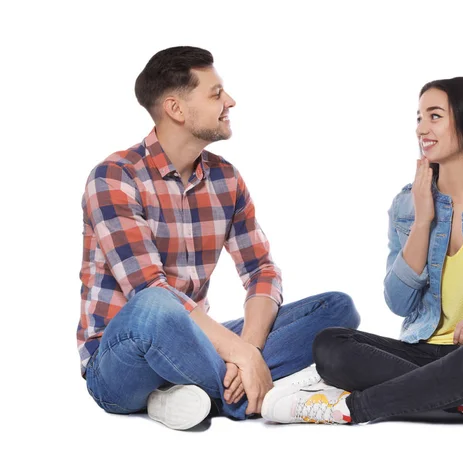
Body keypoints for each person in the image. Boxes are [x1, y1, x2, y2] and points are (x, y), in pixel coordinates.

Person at [77, 46, 360, 430]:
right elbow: (148, 288)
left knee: (337, 310)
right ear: (176, 109)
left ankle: (194, 392)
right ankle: (248, 399)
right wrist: (238, 352)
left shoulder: (226, 178)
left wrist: (250, 349)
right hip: (121, 358)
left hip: (193, 343)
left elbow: (260, 269)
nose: (230, 101)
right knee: (155, 306)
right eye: (216, 94)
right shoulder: (114, 178)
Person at [261, 77, 463, 433]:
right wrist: (423, 219)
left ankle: (351, 408)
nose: (421, 129)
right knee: (329, 344)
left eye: (434, 116)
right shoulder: (406, 204)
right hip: (419, 351)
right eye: (418, 118)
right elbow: (398, 302)